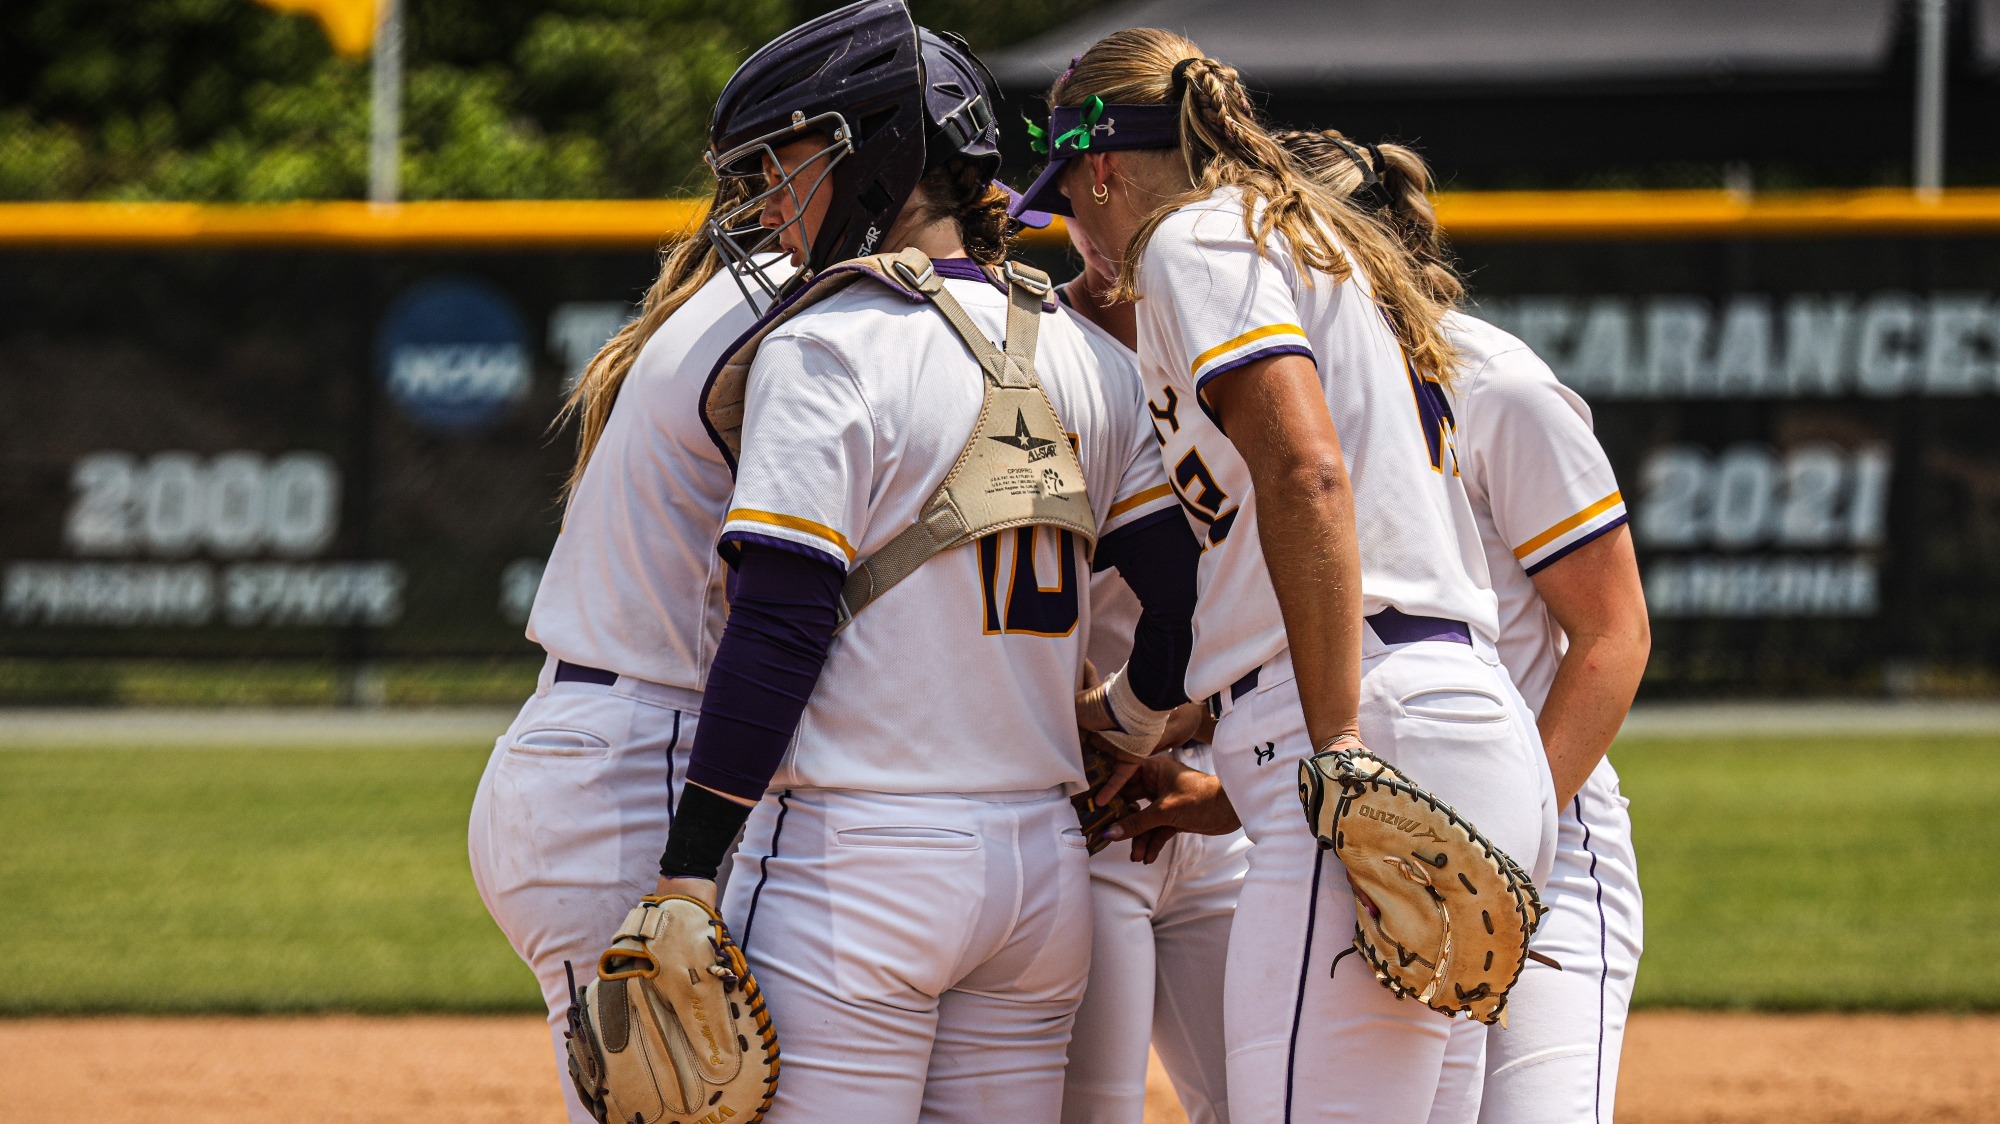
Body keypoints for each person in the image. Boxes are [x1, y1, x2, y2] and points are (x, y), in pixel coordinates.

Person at [641, 5, 1200, 1119]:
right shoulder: (1089, 356)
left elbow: (781, 621)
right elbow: (1185, 599)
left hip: (858, 859)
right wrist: (1129, 726)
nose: (770, 196)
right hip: (1039, 871)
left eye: (788, 159)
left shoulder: (826, 342)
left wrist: (688, 865)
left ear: (877, 150)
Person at [1013, 29, 1556, 1122]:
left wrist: (1337, 740)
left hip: (1359, 721)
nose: (1069, 221)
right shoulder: (1305, 234)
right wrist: (1147, 715)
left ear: (1100, 166)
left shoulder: (1193, 239)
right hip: (1456, 715)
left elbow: (1305, 473)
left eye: (1064, 191)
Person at [1277, 129, 1650, 1124]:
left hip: (1546, 847)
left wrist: (1502, 842)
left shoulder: (1492, 380)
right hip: (1373, 839)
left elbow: (1613, 634)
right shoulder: (1273, 396)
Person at [464, 176, 791, 1124]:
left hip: (594, 745)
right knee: (662, 1104)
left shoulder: (710, 307)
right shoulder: (791, 309)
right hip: (633, 767)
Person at [1059, 215, 1250, 1124]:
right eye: (1083, 200)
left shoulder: (1248, 358)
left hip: (1223, 793)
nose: (1111, 231)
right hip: (1093, 806)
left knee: (1266, 1103)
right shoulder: (1042, 358)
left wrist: (1193, 726)